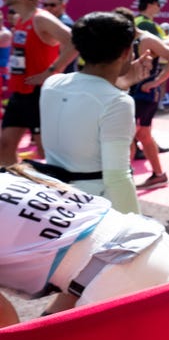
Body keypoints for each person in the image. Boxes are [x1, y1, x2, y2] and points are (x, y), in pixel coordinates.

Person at [0, 162, 169, 327]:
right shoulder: (8, 177)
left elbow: (5, 324)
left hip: (120, 275)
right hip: (151, 244)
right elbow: (79, 257)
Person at [36, 11, 152, 214]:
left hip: (52, 199)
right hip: (92, 207)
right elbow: (117, 176)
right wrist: (136, 224)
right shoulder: (117, 101)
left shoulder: (52, 83)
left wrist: (121, 85)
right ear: (126, 52)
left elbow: (89, 99)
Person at [0, 0, 78, 166]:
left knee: (46, 151)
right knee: (4, 145)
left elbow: (75, 42)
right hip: (21, 92)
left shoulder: (41, 18)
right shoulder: (19, 20)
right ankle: (14, 191)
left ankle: (58, 193)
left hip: (41, 93)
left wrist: (52, 70)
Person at [112, 7, 169, 190]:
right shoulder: (127, 39)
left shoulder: (146, 39)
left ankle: (125, 181)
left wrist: (155, 82)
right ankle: (159, 175)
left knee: (130, 135)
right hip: (132, 92)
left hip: (143, 94)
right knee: (143, 134)